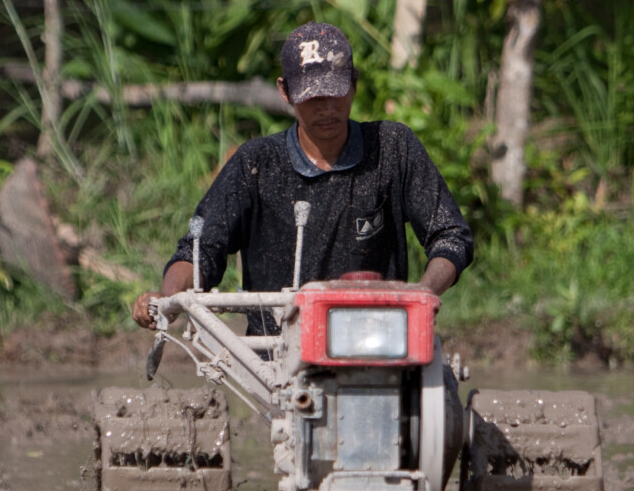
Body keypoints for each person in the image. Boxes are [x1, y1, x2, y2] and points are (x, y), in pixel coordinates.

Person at [132, 21, 474, 333]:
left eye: (335, 91)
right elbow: (200, 249)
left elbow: (451, 237)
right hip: (274, 355)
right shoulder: (256, 164)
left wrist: (420, 298)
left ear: (354, 84)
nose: (326, 107)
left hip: (377, 340)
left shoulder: (392, 149)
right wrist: (168, 300)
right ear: (286, 92)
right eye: (312, 96)